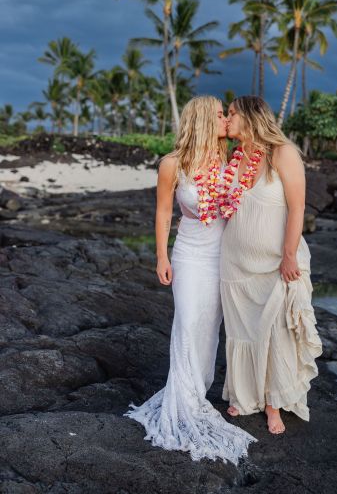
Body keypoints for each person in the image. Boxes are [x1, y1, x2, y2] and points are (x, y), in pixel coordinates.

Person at [124, 96, 256, 464]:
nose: (225, 121)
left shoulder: (230, 160)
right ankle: (181, 403)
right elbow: (163, 212)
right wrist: (161, 257)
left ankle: (197, 394)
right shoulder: (172, 164)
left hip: (224, 256)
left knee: (209, 330)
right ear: (200, 119)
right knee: (187, 320)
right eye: (219, 115)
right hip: (189, 254)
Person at [219, 96, 322, 435]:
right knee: (241, 331)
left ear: (250, 117)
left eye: (232, 113)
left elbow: (298, 206)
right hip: (235, 262)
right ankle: (243, 394)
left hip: (276, 263)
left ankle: (273, 403)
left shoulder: (282, 152)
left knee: (275, 332)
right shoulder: (234, 158)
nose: (227, 119)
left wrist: (290, 253)